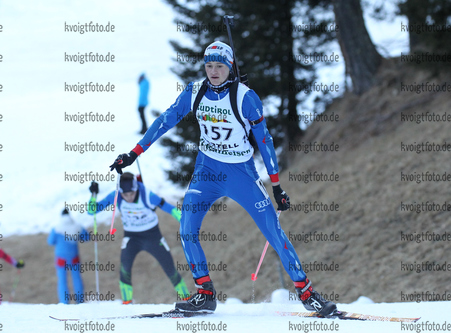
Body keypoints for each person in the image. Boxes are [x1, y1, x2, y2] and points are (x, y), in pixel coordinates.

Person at [109, 41, 337, 316]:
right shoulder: (195, 92)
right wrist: (134, 153)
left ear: (229, 67)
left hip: (241, 172)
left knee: (273, 232)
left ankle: (308, 293)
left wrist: (276, 186)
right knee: (187, 227)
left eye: (219, 66)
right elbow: (164, 121)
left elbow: (264, 141)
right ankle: (205, 293)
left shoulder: (245, 97)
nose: (213, 71)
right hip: (207, 171)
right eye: (208, 65)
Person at [88, 174, 189, 304]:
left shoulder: (146, 195)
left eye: (132, 193)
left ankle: (187, 299)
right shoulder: (116, 196)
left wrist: (184, 220)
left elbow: (168, 207)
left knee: (169, 267)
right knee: (125, 268)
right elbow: (92, 210)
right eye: (125, 195)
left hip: (153, 236)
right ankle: (127, 303)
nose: (129, 197)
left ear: (136, 189)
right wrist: (93, 194)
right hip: (132, 238)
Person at [47, 208, 90, 304]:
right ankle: (79, 300)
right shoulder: (77, 227)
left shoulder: (57, 228)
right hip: (74, 257)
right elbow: (86, 237)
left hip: (61, 258)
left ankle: (64, 301)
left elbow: (50, 241)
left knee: (62, 280)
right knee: (77, 278)